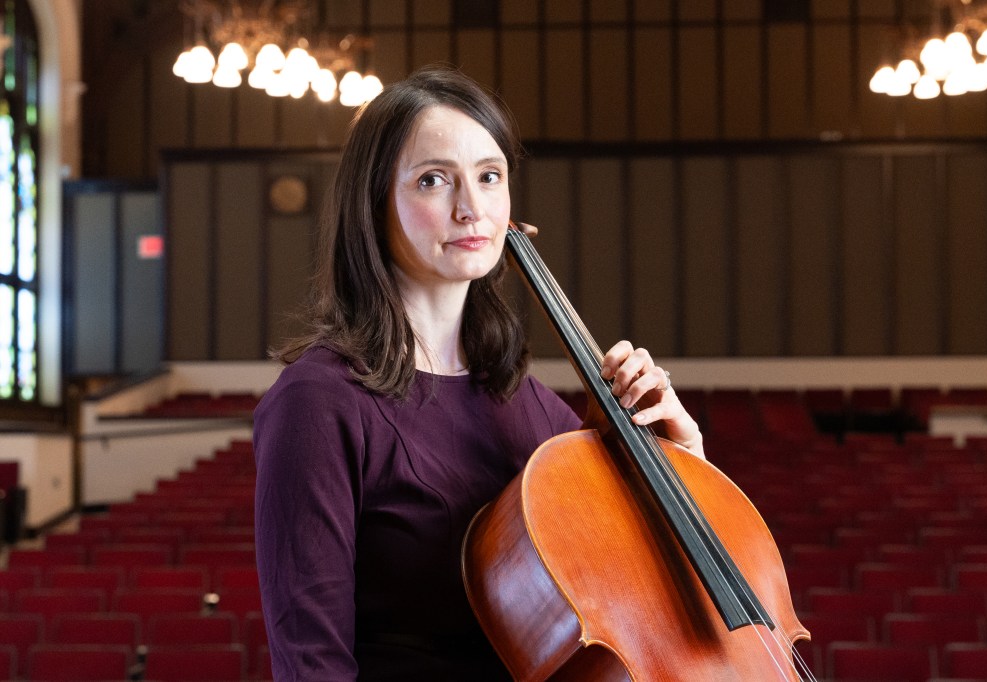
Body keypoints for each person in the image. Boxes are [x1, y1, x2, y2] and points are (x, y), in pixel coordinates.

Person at [253, 65, 704, 681]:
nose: (471, 208)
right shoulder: (319, 402)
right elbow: (311, 663)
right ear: (373, 204)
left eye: (489, 177)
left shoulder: (524, 399)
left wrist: (684, 460)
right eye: (434, 180)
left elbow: (643, 587)